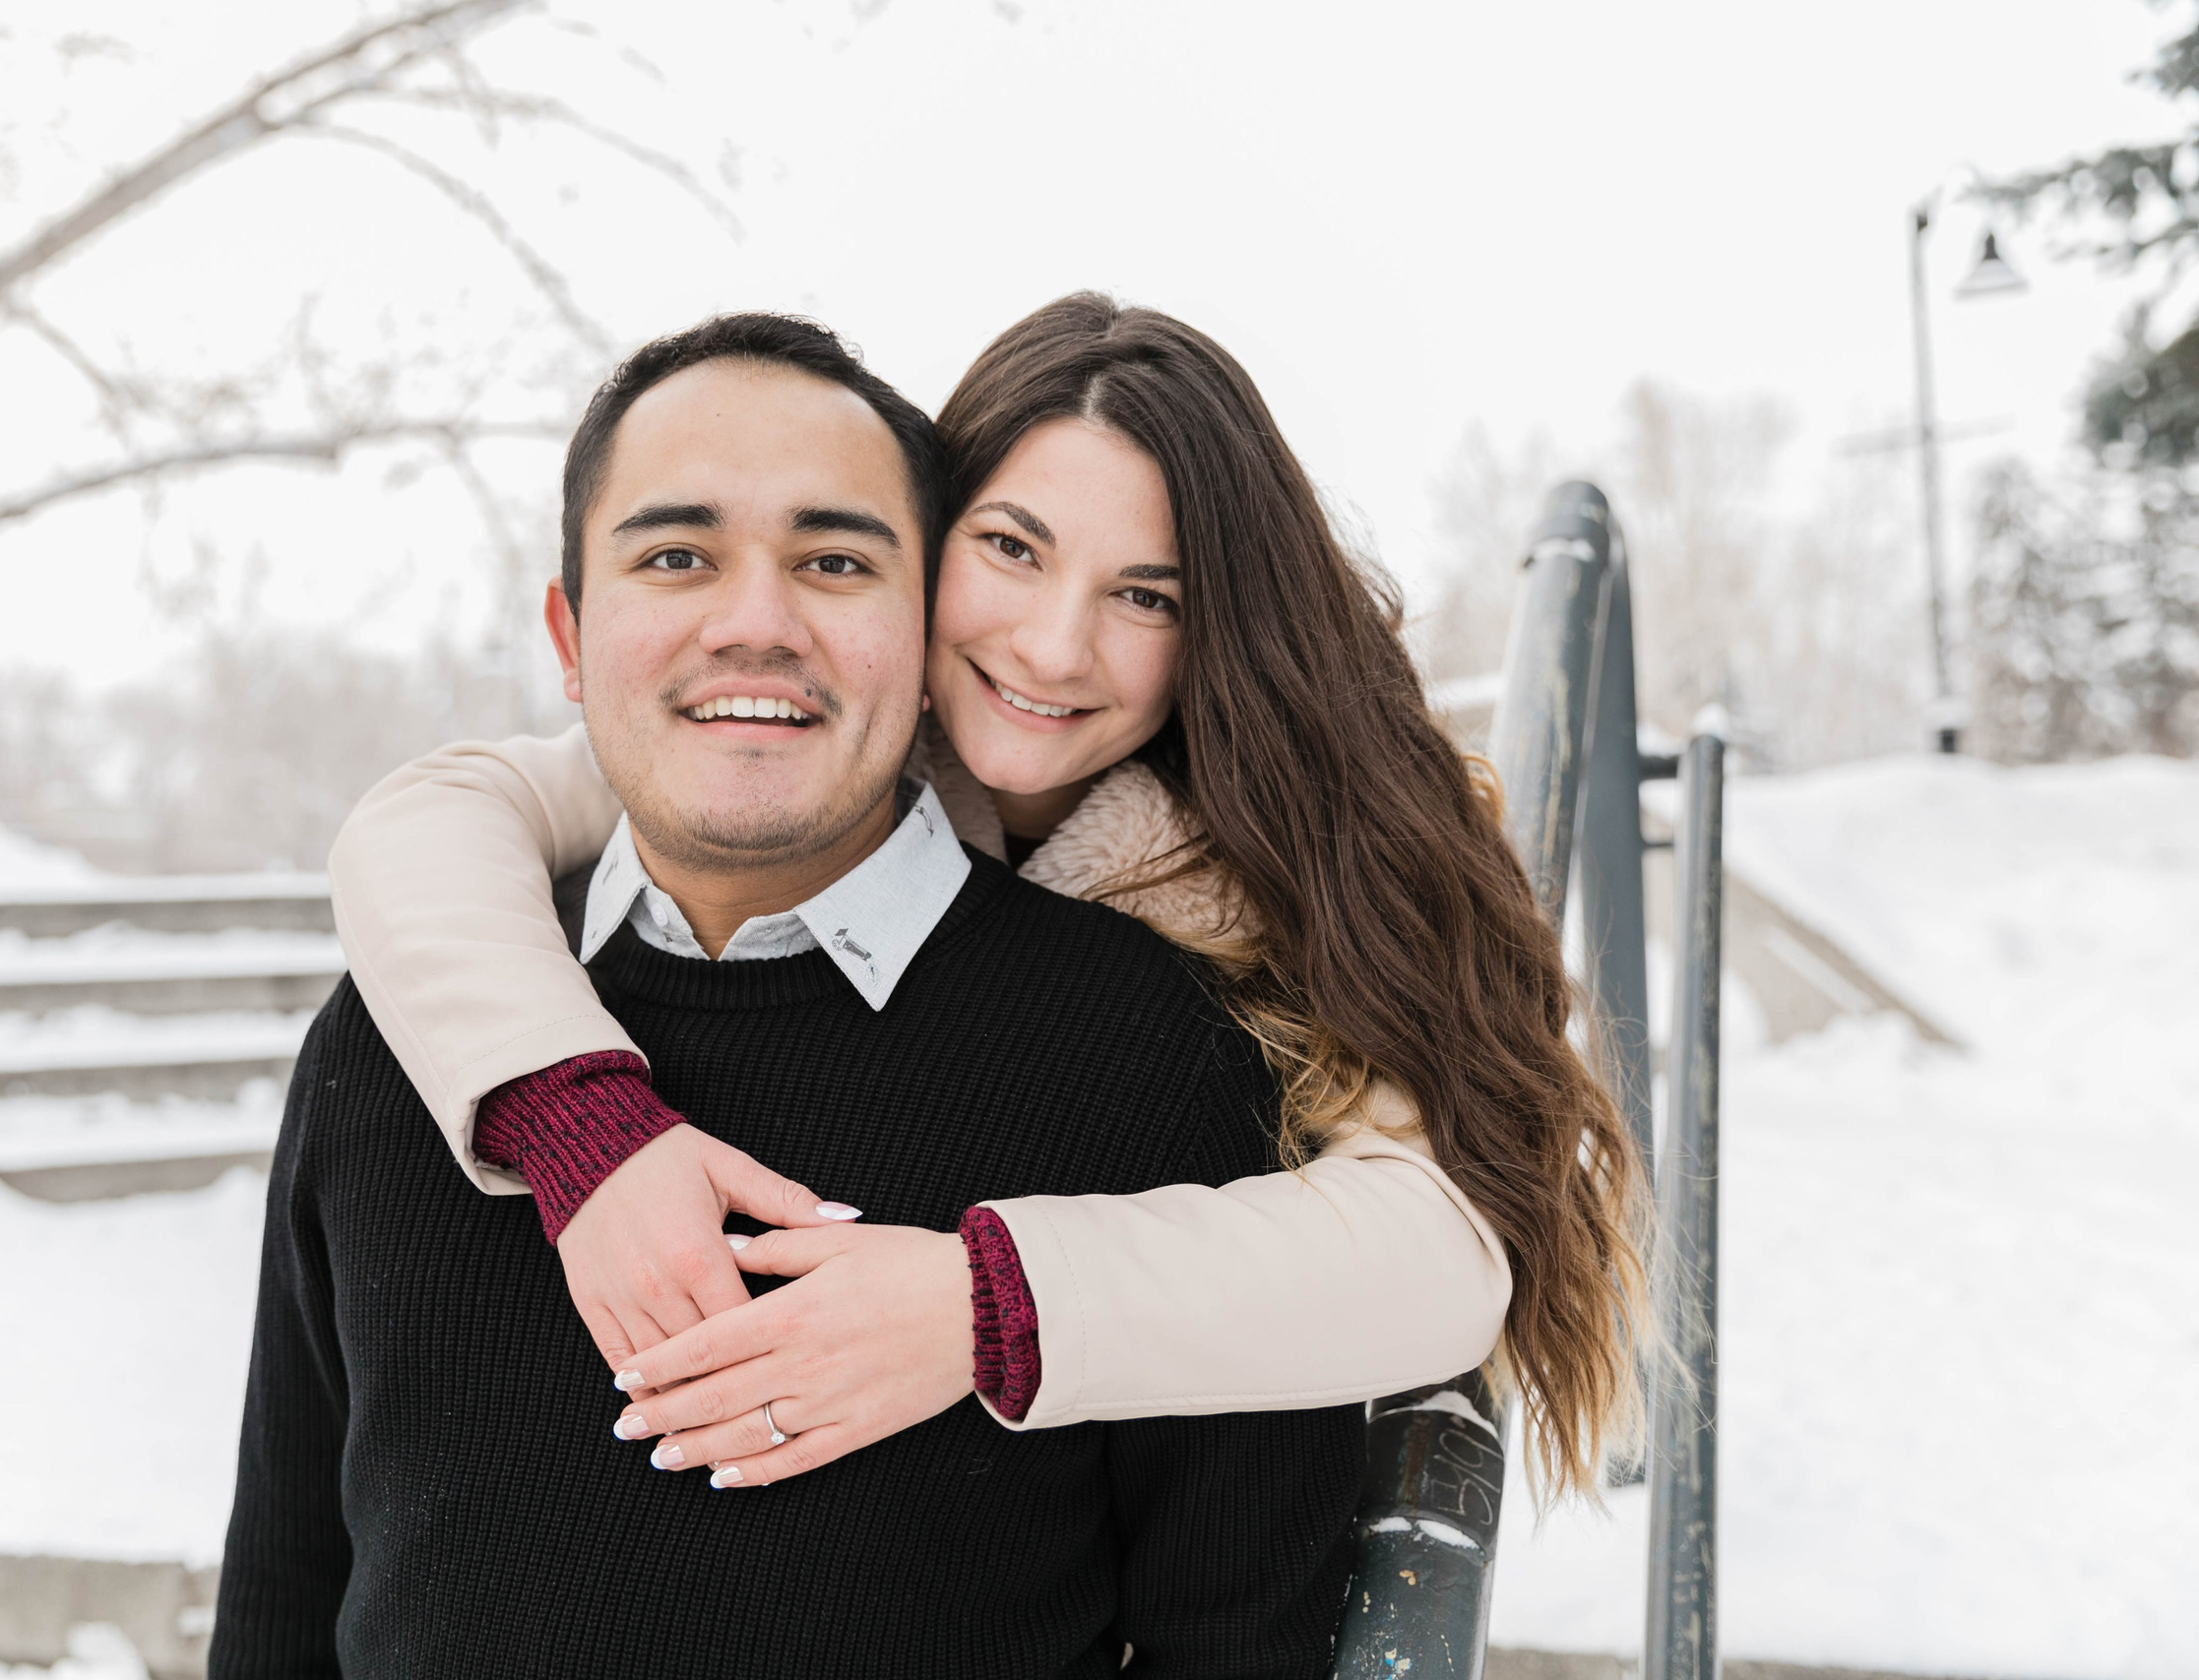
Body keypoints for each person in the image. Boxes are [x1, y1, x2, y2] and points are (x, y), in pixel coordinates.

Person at [330, 294, 1648, 1502]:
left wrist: (984, 1306)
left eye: (1145, 595)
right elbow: (436, 821)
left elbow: (1443, 1252)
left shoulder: (1277, 863)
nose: (1053, 645)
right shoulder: (825, 740)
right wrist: (582, 1127)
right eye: (1012, 549)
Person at [213, 314, 1371, 1678]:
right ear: (570, 636)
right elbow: (287, 1597)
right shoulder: (397, 1041)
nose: (756, 625)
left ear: (923, 620)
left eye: (833, 562)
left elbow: (1241, 1645)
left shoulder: (1168, 1061)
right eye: (676, 557)